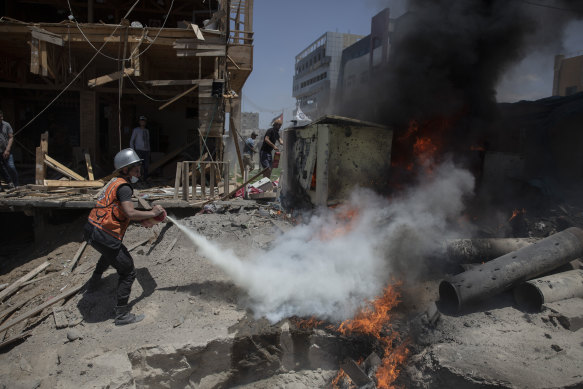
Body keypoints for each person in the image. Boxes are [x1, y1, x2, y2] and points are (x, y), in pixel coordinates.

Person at [83, 148, 166, 326]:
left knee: (109, 254)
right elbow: (129, 211)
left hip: (92, 229)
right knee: (128, 271)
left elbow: (120, 211)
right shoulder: (125, 187)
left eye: (139, 167)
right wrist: (152, 212)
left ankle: (93, 284)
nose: (139, 171)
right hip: (104, 234)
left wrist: (146, 217)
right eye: (135, 168)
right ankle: (121, 314)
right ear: (125, 169)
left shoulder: (115, 182)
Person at [0, 110, 18, 189]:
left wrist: (7, 150)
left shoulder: (6, 125)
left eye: (1, 117)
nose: (1, 118)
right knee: (1, 169)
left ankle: (16, 184)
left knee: (11, 167)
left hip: (6, 150)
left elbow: (11, 137)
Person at [129, 115, 150, 179]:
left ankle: (145, 178)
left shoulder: (146, 131)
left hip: (146, 150)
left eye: (144, 121)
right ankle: (138, 178)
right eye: (141, 121)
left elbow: (148, 141)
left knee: (146, 165)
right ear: (139, 122)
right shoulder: (136, 130)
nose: (142, 122)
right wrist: (132, 150)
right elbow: (132, 140)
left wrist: (149, 150)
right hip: (138, 150)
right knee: (138, 165)